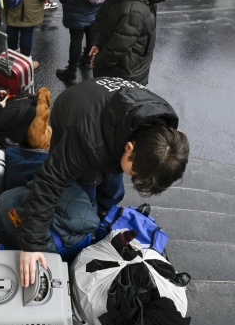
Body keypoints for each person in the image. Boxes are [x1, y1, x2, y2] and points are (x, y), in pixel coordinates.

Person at [18, 77, 189, 287]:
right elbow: (48, 182)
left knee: (113, 189)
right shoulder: (86, 141)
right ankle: (88, 227)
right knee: (83, 193)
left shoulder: (163, 131)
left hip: (106, 114)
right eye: (135, 174)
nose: (134, 179)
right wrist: (31, 245)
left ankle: (100, 217)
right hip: (73, 111)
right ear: (129, 147)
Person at [89, 0, 179, 85]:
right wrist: (98, 62)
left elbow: (102, 15)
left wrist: (96, 41)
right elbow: (118, 47)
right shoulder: (136, 9)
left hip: (122, 65)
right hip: (127, 71)